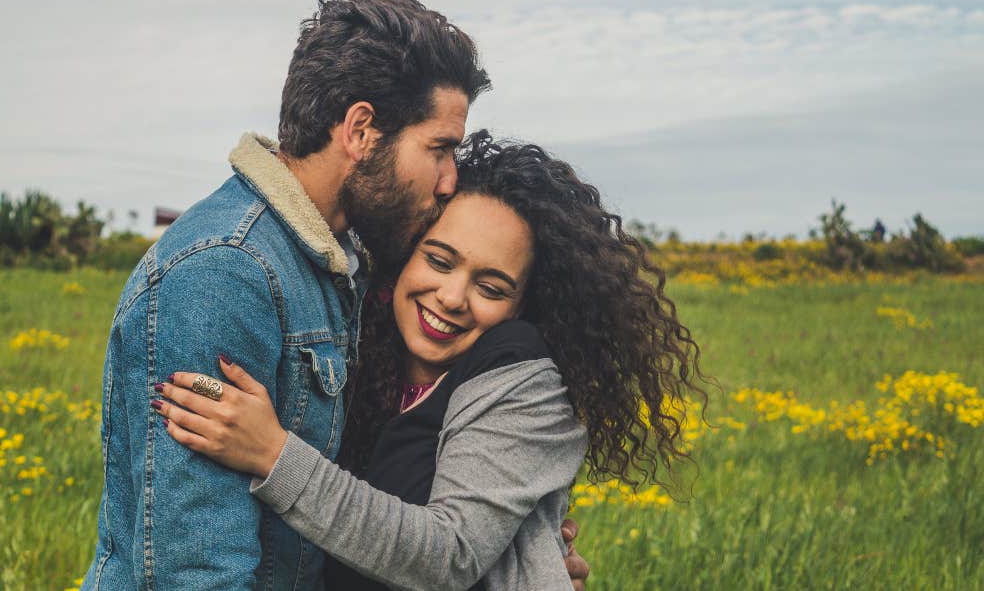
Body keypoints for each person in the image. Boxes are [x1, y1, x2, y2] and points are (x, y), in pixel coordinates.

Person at [80, 0, 588, 590]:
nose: (450, 179)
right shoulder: (225, 273)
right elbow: (190, 568)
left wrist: (519, 562)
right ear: (361, 130)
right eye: (439, 148)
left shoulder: (340, 268)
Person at [154, 132, 707, 589]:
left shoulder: (525, 379)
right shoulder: (357, 351)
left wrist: (272, 453)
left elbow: (449, 553)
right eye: (439, 260)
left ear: (522, 306)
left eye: (490, 286)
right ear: (403, 255)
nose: (450, 297)